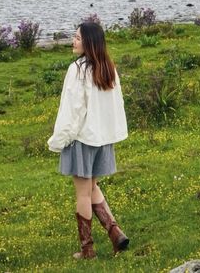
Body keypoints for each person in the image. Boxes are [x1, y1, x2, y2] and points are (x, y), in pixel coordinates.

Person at [47, 20, 129, 259]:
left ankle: (88, 250)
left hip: (83, 138)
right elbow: (116, 106)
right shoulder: (108, 68)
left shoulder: (78, 69)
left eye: (78, 38)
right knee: (92, 187)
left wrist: (58, 139)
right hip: (102, 138)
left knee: (83, 193)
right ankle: (115, 233)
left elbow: (73, 111)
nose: (73, 41)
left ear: (89, 42)